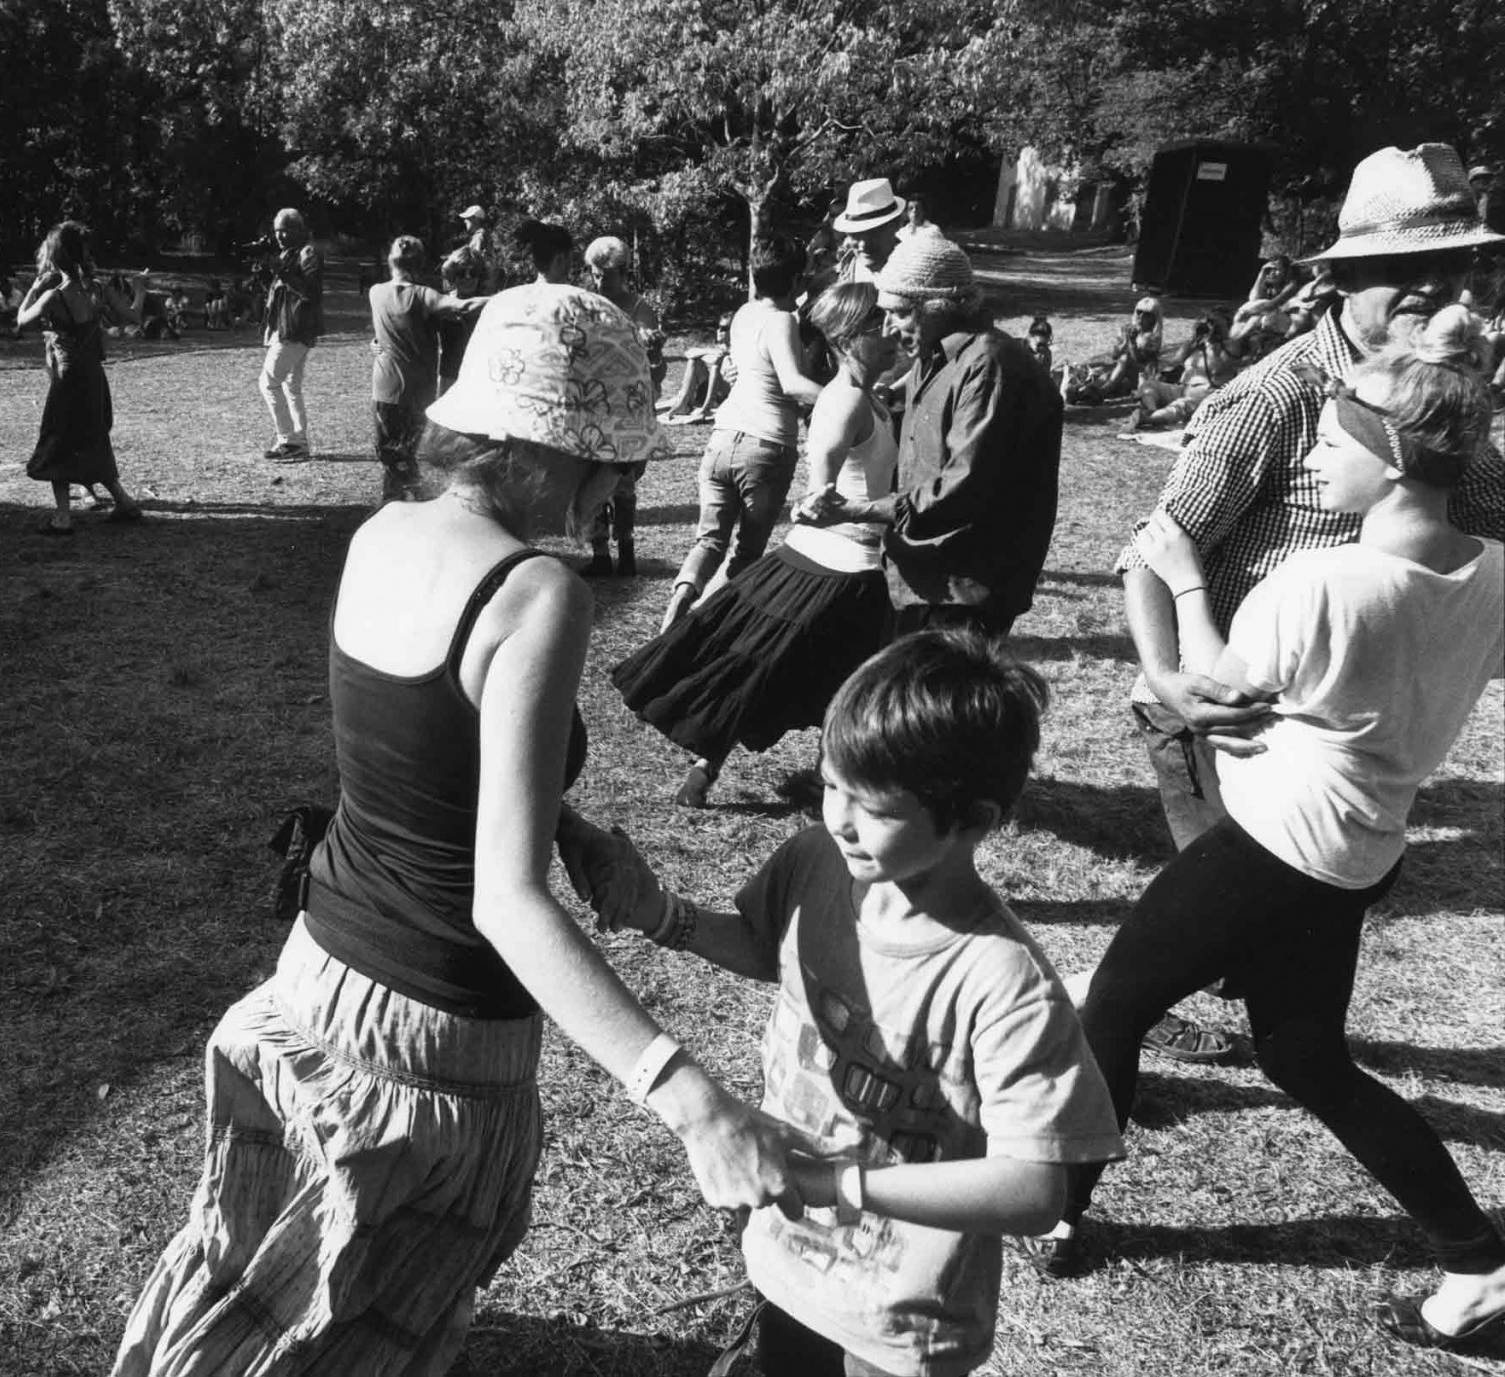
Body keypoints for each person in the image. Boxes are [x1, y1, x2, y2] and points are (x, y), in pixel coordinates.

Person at [110, 284, 817, 1377]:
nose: (619, 489)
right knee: (356, 1331)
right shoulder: (536, 594)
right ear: (545, 446)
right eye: (612, 462)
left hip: (315, 978)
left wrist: (559, 818)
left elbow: (409, 754)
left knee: (263, 1280)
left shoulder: (381, 531)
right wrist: (689, 1100)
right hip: (431, 1046)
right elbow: (504, 900)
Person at [1046, 309, 1505, 1355]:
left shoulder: (1317, 583)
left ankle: (1058, 1205)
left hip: (1270, 850)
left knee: (1110, 1007)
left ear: (1389, 465)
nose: (1313, 454)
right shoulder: (1490, 569)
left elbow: (1213, 686)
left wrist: (1179, 573)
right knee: (1301, 1055)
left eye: (1335, 441)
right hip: (1359, 852)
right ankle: (1475, 1261)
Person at [569, 632, 1123, 1377]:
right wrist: (662, 914)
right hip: (789, 1262)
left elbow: (1033, 1187)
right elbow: (770, 945)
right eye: (832, 785)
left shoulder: (1002, 979)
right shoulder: (816, 862)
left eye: (875, 807)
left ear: (974, 819)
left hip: (898, 1318)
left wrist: (838, 1185)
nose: (840, 818)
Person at [1102, 142, 1505, 1067]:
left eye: (1451, 266)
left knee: (1281, 935)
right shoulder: (1278, 394)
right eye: (1405, 272)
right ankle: (1130, 1038)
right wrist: (1171, 681)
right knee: (1223, 928)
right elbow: (1153, 552)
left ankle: (1288, 1052)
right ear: (1346, 279)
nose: (1433, 288)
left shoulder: (1436, 396)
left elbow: (1482, 523)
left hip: (1329, 731)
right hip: (1229, 708)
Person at [614, 282, 898, 809]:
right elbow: (823, 471)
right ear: (847, 338)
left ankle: (802, 776)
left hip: (846, 568)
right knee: (768, 670)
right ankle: (712, 768)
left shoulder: (870, 395)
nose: (891, 331)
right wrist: (817, 495)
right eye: (878, 325)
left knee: (811, 676)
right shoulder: (846, 399)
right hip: (833, 566)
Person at [813, 234, 1062, 638]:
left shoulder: (988, 364)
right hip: (927, 579)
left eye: (898, 315)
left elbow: (961, 488)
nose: (890, 330)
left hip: (965, 590)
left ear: (936, 307)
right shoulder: (935, 357)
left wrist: (855, 510)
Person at [664, 234, 823, 631]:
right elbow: (792, 384)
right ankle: (702, 629)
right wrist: (849, 398)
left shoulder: (743, 314)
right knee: (746, 553)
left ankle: (673, 618)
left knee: (709, 541)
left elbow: (745, 368)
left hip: (723, 438)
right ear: (794, 282)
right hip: (766, 446)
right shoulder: (782, 321)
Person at [16, 221, 143, 534]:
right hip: (94, 375)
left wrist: (34, 288)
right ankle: (123, 501)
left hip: (67, 377)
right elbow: (132, 317)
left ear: (56, 258)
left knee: (58, 439)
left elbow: (21, 322)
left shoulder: (53, 297)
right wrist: (139, 289)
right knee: (94, 436)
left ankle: (62, 517)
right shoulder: (98, 290)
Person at [368, 235, 487, 502]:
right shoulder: (425, 296)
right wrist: (509, 297)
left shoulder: (375, 292)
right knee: (402, 457)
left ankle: (405, 503)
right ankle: (403, 504)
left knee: (392, 457)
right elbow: (463, 305)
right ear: (420, 264)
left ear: (390, 261)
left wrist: (376, 341)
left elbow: (388, 327)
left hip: (385, 391)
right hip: (416, 393)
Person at [582, 234, 664, 576]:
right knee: (591, 478)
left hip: (628, 409)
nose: (599, 280)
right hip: (593, 405)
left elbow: (656, 364)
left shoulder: (639, 308)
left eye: (607, 273)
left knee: (624, 483)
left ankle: (627, 549)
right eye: (595, 273)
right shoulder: (586, 303)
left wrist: (652, 346)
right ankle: (600, 553)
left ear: (623, 271)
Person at [257, 208, 324, 462]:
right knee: (290, 386)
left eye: (285, 229)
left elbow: (311, 292)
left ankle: (288, 440)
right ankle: (299, 441)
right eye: (276, 231)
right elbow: (281, 291)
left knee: (268, 383)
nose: (280, 235)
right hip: (287, 326)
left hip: (295, 327)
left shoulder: (308, 253)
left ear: (299, 228)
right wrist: (267, 274)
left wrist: (282, 272)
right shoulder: (290, 253)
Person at [833, 178, 907, 285]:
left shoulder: (918, 271)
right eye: (856, 236)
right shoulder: (843, 273)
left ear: (896, 225)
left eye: (874, 234)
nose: (863, 245)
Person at [435, 247, 488, 392]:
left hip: (480, 378)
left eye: (473, 273)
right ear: (452, 275)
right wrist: (378, 342)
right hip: (450, 378)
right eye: (461, 273)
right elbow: (412, 332)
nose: (468, 277)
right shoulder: (441, 304)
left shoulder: (490, 307)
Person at [511, 219, 576, 284]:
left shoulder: (508, 293)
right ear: (559, 259)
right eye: (571, 257)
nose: (571, 263)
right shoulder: (579, 293)